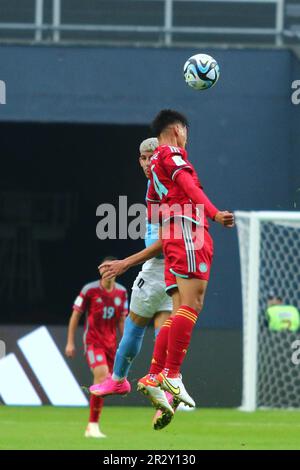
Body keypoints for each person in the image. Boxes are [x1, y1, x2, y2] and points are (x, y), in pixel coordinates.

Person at [98, 109, 234, 425]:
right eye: (185, 132)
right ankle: (171, 374)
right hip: (188, 230)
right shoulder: (170, 153)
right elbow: (189, 186)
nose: (187, 138)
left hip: (173, 240)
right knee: (192, 304)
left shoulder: (153, 184)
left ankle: (154, 376)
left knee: (176, 313)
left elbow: (161, 219)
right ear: (176, 130)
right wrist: (214, 214)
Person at [90, 138, 177, 430]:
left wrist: (125, 263)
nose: (146, 162)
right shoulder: (160, 185)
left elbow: (163, 244)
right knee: (165, 330)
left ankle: (118, 380)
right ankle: (169, 386)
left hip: (159, 268)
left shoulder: (166, 187)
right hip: (177, 269)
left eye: (151, 156)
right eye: (142, 157)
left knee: (135, 325)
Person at [65, 256, 128, 438]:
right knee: (101, 377)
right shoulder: (90, 290)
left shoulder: (122, 292)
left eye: (111, 268)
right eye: (104, 268)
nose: (107, 272)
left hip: (112, 344)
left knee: (104, 384)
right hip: (93, 342)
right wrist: (70, 342)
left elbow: (123, 320)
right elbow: (75, 316)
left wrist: (125, 345)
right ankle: (92, 426)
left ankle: (93, 425)